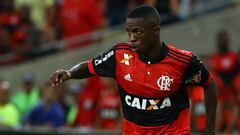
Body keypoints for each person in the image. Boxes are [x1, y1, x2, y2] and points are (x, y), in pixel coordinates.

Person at [51, 5, 218, 134]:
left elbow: (210, 85)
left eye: (138, 32)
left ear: (155, 31)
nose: (132, 38)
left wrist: (209, 132)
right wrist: (69, 73)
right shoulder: (120, 55)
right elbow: (89, 66)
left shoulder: (183, 61)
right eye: (129, 32)